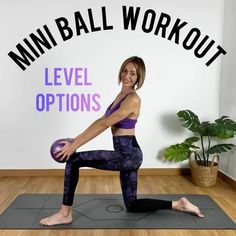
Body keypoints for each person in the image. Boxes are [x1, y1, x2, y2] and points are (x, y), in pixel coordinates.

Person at [40, 56, 204, 226]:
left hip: (128, 155)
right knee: (132, 204)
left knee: (74, 160)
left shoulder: (133, 99)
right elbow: (102, 119)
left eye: (133, 73)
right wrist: (75, 139)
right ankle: (179, 204)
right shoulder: (121, 95)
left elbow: (105, 124)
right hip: (127, 154)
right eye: (125, 71)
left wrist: (75, 145)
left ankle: (65, 213)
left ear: (139, 78)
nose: (127, 76)